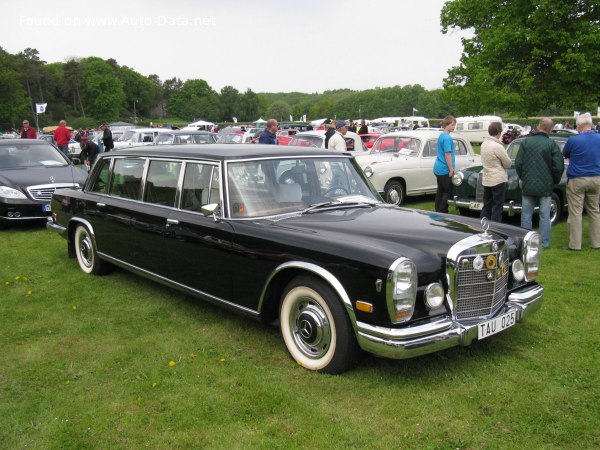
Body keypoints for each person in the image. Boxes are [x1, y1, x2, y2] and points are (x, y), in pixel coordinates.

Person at [515, 117, 564, 248]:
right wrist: (554, 180)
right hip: (546, 185)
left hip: (528, 183)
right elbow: (558, 166)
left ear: (539, 126)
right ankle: (543, 242)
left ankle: (525, 241)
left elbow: (518, 163)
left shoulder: (526, 142)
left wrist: (523, 177)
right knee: (544, 215)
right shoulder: (551, 144)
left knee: (526, 214)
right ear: (550, 129)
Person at [562, 112, 600, 250]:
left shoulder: (573, 140)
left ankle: (575, 244)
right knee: (594, 210)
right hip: (596, 177)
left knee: (576, 212)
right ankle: (597, 242)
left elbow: (565, 153)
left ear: (579, 126)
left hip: (577, 178)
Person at [480, 122, 512, 222]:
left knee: (487, 205)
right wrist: (501, 164)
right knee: (497, 207)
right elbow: (508, 163)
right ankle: (495, 229)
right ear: (498, 132)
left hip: (487, 178)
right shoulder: (497, 146)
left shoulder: (484, 144)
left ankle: (483, 226)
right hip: (498, 179)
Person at [433, 115, 457, 213]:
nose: (454, 126)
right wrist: (451, 169)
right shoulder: (447, 138)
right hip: (444, 169)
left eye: (454, 125)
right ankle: (443, 212)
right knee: (447, 192)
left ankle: (437, 210)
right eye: (452, 124)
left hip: (438, 168)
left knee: (440, 190)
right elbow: (448, 154)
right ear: (446, 125)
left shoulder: (441, 135)